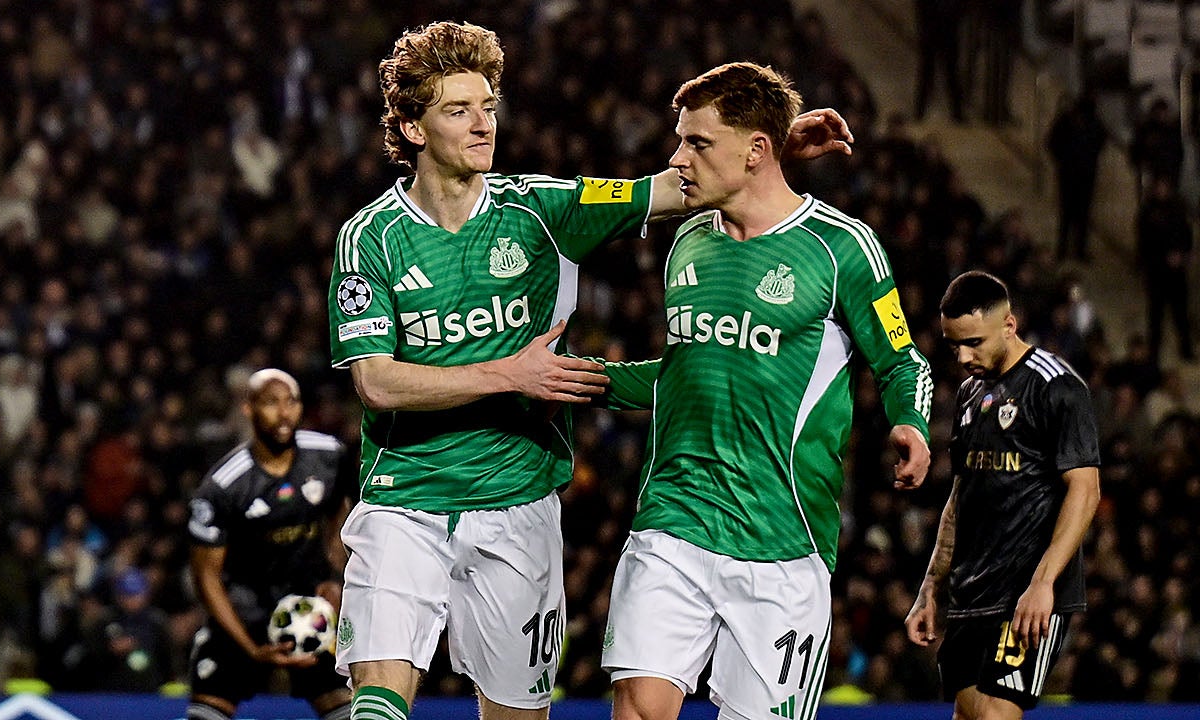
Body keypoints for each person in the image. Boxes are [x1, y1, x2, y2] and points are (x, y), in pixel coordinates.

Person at [326, 22, 853, 720]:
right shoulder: (371, 237)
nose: (484, 124)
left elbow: (669, 190)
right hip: (405, 500)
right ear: (412, 128)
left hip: (519, 505)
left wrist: (770, 152)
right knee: (377, 702)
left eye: (488, 106)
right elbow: (376, 382)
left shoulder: (544, 208)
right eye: (459, 111)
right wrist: (509, 374)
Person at [596, 62, 933, 720]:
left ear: (755, 151)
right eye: (680, 140)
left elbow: (903, 361)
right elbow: (686, 372)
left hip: (785, 543)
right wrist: (581, 379)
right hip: (675, 522)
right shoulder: (688, 238)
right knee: (638, 706)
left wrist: (911, 422)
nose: (678, 157)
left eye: (697, 142)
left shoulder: (841, 248)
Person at [905, 271, 1101, 719]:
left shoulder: (1056, 386)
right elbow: (960, 497)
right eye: (954, 345)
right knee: (969, 715)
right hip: (971, 591)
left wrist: (1043, 582)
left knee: (995, 714)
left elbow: (1085, 490)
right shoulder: (970, 394)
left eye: (974, 342)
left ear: (1009, 325)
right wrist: (932, 586)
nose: (963, 356)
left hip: (1026, 591)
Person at [186, 368, 352, 720]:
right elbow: (206, 576)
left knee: (347, 707)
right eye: (271, 403)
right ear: (248, 408)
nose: (284, 413)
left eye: (291, 401)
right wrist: (250, 648)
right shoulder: (224, 486)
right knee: (206, 713)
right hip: (245, 611)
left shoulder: (330, 456)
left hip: (310, 608)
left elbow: (345, 511)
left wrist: (335, 574)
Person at [1134, 175, 1194, 362]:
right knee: (1156, 315)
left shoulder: (1177, 210)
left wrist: (1181, 255)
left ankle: (1186, 348)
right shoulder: (1147, 212)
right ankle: (1154, 351)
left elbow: (1186, 235)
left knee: (1180, 312)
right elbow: (1145, 241)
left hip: (1176, 272)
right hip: (1156, 271)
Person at [1046, 93, 1106, 261]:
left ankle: (1078, 250)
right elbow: (1052, 143)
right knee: (1067, 214)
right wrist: (1063, 160)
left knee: (1082, 215)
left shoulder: (1093, 124)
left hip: (1084, 174)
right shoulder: (1066, 122)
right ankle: (1064, 249)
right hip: (1070, 173)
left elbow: (1100, 142)